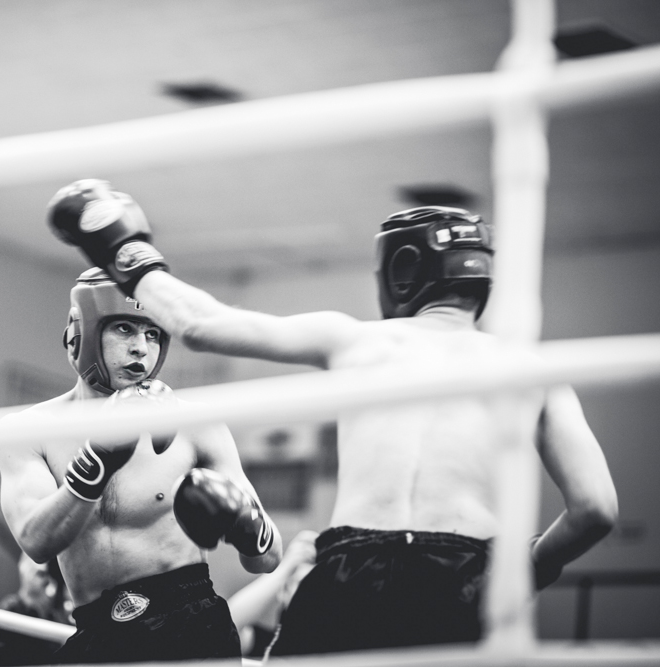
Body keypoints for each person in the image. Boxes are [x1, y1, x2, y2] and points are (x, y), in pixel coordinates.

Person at [46, 179, 619, 654]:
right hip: (464, 574)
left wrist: (122, 246)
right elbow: (595, 510)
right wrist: (526, 568)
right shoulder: (533, 369)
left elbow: (199, 324)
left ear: (400, 270)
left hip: (353, 569)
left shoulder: (359, 341)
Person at [0, 266, 283, 664]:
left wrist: (244, 523)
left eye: (153, 334)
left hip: (191, 625)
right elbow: (35, 540)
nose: (141, 349)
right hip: (97, 631)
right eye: (124, 329)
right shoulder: (30, 429)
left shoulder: (196, 424)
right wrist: (97, 460)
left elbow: (267, 559)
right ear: (82, 333)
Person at [0, 555, 74, 666]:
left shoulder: (54, 616)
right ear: (25, 571)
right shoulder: (12, 609)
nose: (48, 584)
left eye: (51, 577)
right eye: (41, 575)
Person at [227, 530, 317, 658]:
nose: (307, 593)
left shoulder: (328, 638)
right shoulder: (266, 642)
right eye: (301, 584)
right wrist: (286, 567)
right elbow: (225, 627)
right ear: (282, 593)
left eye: (313, 584)